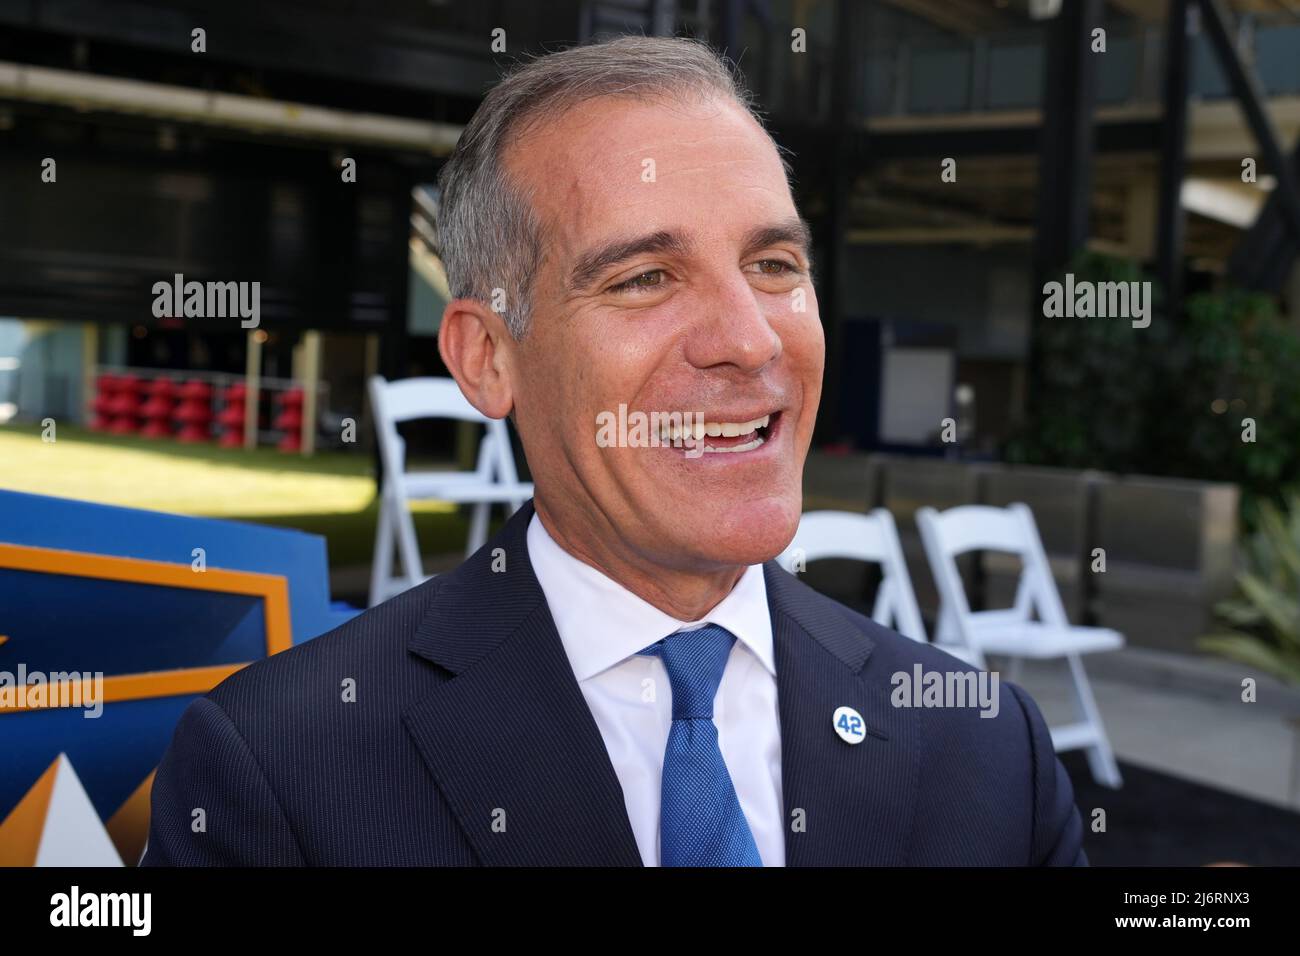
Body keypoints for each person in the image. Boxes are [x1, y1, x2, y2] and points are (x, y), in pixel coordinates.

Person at [142, 34, 1085, 867]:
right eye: (644, 278)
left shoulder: (990, 751)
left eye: (773, 266)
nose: (751, 339)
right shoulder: (281, 769)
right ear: (487, 356)